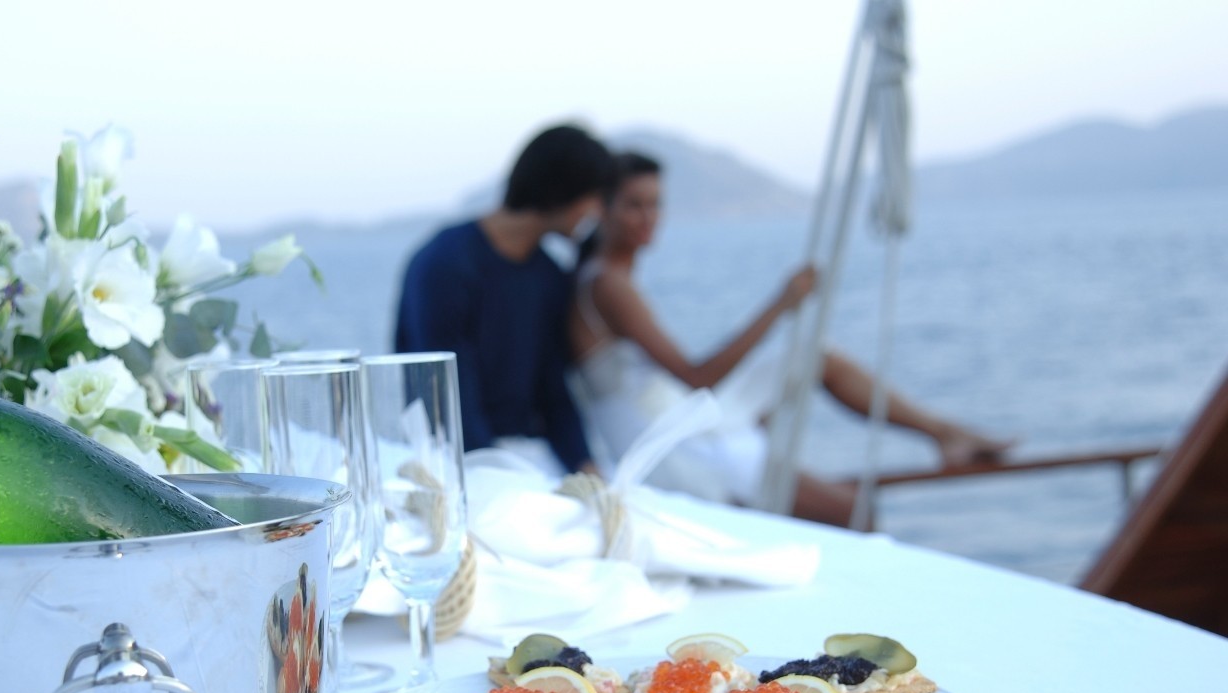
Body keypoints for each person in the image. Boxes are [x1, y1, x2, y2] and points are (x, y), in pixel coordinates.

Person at [568, 150, 1009, 526]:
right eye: (634, 205)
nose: (648, 218)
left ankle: (944, 432)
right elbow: (697, 377)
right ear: (602, 210)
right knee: (859, 515)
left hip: (679, 420)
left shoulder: (608, 278)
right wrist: (780, 304)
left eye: (656, 205)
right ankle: (942, 434)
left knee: (815, 357)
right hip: (681, 448)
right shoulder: (609, 285)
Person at [394, 124, 615, 475]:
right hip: (457, 463)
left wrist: (585, 466)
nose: (598, 213)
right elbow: (445, 394)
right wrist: (495, 476)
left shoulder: (549, 275)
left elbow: (552, 389)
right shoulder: (445, 264)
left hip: (525, 456)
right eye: (594, 197)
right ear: (563, 189)